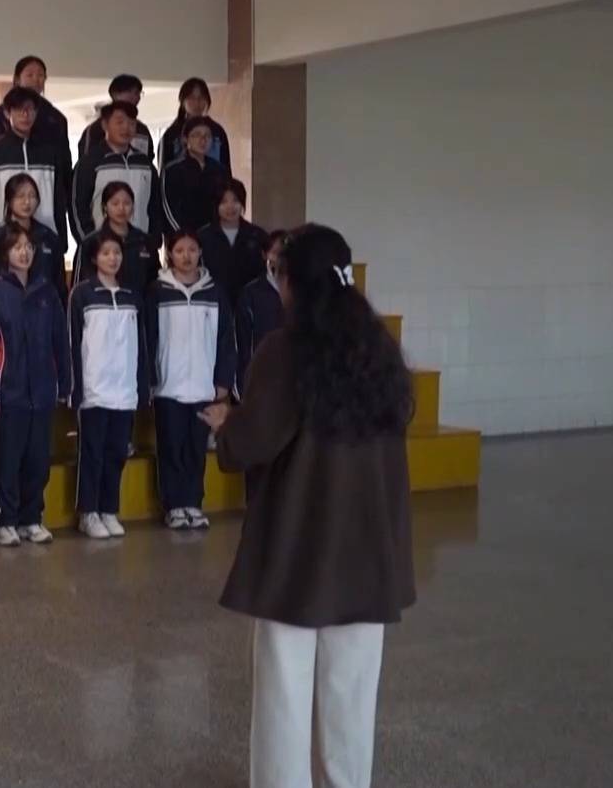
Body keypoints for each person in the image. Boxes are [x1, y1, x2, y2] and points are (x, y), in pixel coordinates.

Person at [206, 223, 414, 788]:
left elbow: (254, 441)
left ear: (293, 282)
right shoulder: (380, 351)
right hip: (369, 545)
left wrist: (227, 426)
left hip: (300, 545)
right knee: (353, 691)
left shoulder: (286, 352)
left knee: (285, 687)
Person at [0, 222, 70, 546]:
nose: (24, 252)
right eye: (17, 247)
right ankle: (5, 520)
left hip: (41, 392)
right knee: (8, 460)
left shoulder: (47, 292)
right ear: (5, 253)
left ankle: (32, 518)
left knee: (38, 460)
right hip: (8, 394)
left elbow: (60, 341)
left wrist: (64, 383)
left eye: (29, 247)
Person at [146, 231, 236, 530]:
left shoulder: (215, 291)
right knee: (171, 447)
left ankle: (194, 504)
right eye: (180, 250)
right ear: (169, 254)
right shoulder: (157, 291)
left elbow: (226, 340)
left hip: (202, 385)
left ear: (200, 253)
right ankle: (173, 506)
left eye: (192, 250)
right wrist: (150, 378)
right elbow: (149, 337)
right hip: (168, 385)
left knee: (196, 449)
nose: (187, 256)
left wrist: (222, 380)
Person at [69, 233, 151, 540]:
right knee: (92, 453)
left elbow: (141, 344)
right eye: (106, 253)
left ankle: (109, 509)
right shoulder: (82, 294)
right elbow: (73, 341)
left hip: (124, 389)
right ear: (94, 258)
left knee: (117, 452)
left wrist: (141, 385)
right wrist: (76, 387)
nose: (113, 258)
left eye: (117, 252)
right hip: (94, 389)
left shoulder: (132, 296)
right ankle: (88, 512)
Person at [0, 87, 72, 251]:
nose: (25, 115)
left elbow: (58, 199)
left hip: (45, 240)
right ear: (7, 113)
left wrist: (61, 241)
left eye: (30, 109)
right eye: (19, 109)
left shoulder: (51, 152)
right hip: (5, 242)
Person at [73, 102, 163, 240]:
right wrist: (89, 242)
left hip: (139, 244)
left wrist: (153, 240)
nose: (126, 128)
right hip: (102, 246)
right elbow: (78, 207)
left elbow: (155, 206)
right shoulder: (90, 162)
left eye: (131, 124)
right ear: (105, 125)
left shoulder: (145, 163)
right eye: (120, 122)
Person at [73, 182, 161, 296]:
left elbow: (155, 282)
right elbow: (79, 287)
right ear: (105, 207)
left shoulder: (145, 241)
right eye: (115, 203)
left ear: (133, 206)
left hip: (139, 304)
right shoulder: (91, 242)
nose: (121, 208)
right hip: (102, 304)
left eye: (127, 203)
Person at [0, 173, 65, 292]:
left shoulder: (49, 236)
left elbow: (59, 284)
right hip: (6, 300)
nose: (27, 202)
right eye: (20, 196)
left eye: (32, 196)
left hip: (44, 300)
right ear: (9, 200)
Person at [197, 178, 269, 302]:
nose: (230, 207)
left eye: (235, 200)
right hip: (213, 301)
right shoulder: (203, 236)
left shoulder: (257, 235)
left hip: (251, 301)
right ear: (216, 205)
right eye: (224, 202)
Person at [0, 55, 72, 153]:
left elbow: (63, 155)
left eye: (40, 75)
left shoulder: (55, 117)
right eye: (30, 75)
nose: (36, 79)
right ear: (17, 79)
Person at [236, 229, 289, 389]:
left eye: (286, 253)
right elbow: (243, 343)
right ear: (265, 254)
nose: (281, 258)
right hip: (262, 378)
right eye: (275, 253)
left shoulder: (305, 290)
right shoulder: (251, 293)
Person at [161, 117, 230, 234]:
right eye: (196, 135)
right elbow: (168, 208)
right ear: (185, 139)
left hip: (213, 236)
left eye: (207, 136)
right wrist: (183, 235)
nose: (203, 140)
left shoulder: (219, 170)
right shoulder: (173, 170)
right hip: (182, 236)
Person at [159, 77, 234, 178]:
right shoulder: (171, 134)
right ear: (182, 102)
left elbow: (226, 168)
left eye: (201, 98)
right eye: (191, 98)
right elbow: (164, 171)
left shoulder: (217, 131)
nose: (197, 102)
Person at [76, 74, 154, 162]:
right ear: (115, 94)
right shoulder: (97, 128)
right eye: (129, 91)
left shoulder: (142, 129)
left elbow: (149, 158)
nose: (136, 97)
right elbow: (86, 159)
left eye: (138, 93)